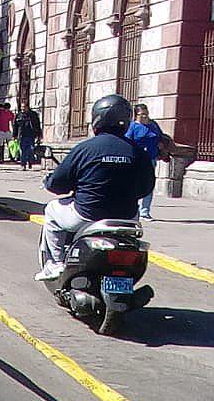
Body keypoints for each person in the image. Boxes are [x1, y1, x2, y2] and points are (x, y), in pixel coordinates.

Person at [35, 94, 155, 280]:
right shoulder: (137, 152)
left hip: (87, 214)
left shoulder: (86, 148)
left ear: (97, 118)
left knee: (51, 210)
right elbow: (147, 187)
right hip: (126, 217)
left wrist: (51, 182)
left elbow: (57, 184)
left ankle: (56, 263)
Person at [125, 103, 165, 219]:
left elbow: (160, 136)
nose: (145, 117)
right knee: (134, 185)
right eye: (142, 115)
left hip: (151, 159)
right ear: (136, 115)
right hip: (136, 160)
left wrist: (161, 146)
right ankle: (132, 209)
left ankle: (145, 211)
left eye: (146, 114)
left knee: (149, 185)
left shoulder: (153, 125)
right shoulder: (132, 127)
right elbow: (127, 141)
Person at [15, 102, 42, 171]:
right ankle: (23, 165)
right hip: (21, 136)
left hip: (31, 135)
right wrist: (14, 135)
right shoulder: (19, 115)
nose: (23, 109)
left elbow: (37, 125)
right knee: (23, 151)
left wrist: (39, 135)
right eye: (22, 107)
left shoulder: (33, 115)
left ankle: (30, 162)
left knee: (31, 150)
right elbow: (15, 126)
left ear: (27, 107)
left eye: (24, 107)